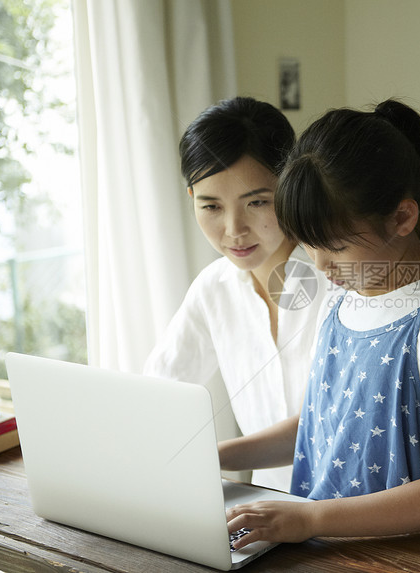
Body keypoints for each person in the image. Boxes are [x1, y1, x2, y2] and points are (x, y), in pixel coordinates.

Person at [220, 99, 420, 548]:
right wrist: (217, 455)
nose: (320, 265)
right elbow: (323, 424)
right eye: (310, 245)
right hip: (334, 550)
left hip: (417, 555)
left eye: (334, 247)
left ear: (403, 217)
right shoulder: (343, 298)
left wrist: (310, 518)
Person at [143, 97, 327, 492]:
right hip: (265, 508)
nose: (234, 229)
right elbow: (159, 390)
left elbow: (329, 421)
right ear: (192, 199)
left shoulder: (337, 279)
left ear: (291, 187)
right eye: (211, 206)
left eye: (256, 202)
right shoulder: (214, 288)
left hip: (351, 511)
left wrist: (209, 457)